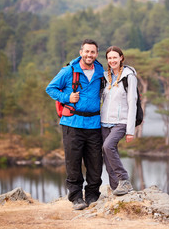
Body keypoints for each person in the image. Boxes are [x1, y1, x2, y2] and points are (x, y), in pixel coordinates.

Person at [46, 39, 104, 210]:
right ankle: (76, 198)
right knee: (73, 162)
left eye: (92, 52)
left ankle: (93, 195)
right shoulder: (68, 71)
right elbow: (51, 88)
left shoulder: (101, 71)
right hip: (72, 123)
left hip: (94, 124)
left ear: (96, 54)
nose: (89, 55)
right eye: (86, 51)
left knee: (95, 162)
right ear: (81, 53)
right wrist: (67, 98)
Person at [100, 46, 136, 196]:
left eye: (115, 57)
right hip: (104, 122)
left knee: (108, 146)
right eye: (109, 58)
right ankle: (118, 191)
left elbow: (132, 102)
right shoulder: (105, 77)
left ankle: (124, 180)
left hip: (121, 121)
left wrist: (130, 130)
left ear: (121, 57)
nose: (112, 60)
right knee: (107, 157)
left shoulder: (129, 76)